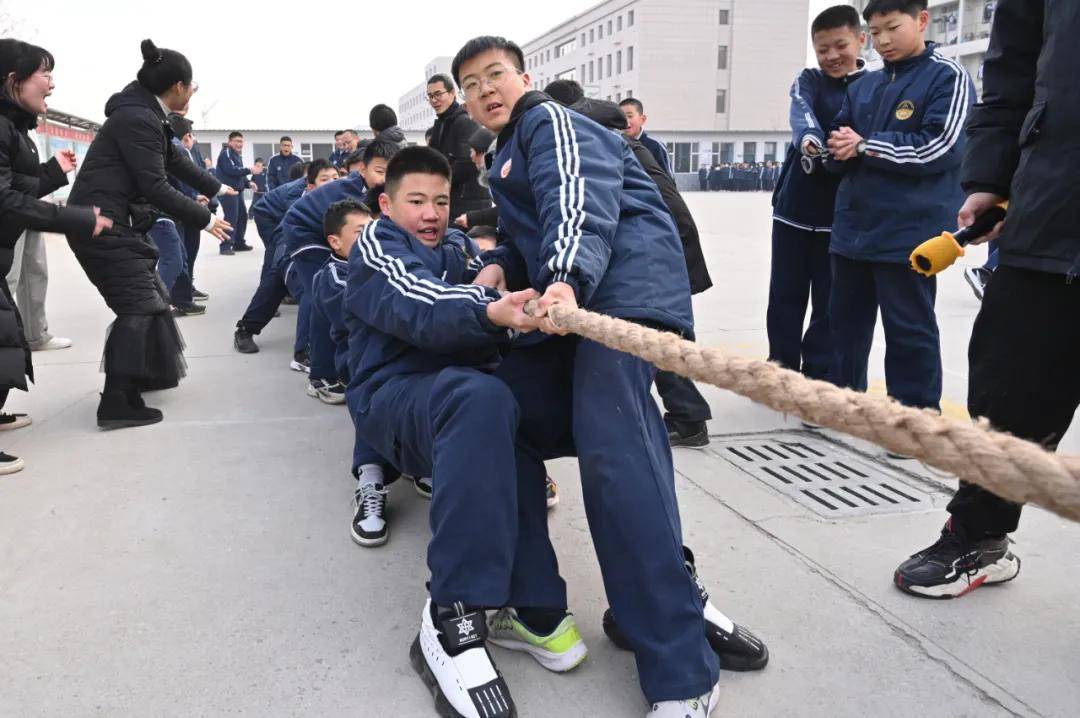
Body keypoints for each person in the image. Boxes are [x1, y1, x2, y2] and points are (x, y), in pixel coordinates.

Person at [456, 36, 723, 716]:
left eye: (496, 74)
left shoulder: (549, 121)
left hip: (618, 296)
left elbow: (580, 201)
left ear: (524, 77)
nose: (485, 89)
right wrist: (502, 266)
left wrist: (567, 280)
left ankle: (683, 672)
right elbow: (531, 229)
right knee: (494, 413)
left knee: (615, 458)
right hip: (571, 306)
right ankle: (538, 608)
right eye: (470, 83)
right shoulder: (505, 152)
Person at [344, 146, 588, 715]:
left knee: (510, 407)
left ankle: (535, 607)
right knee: (480, 398)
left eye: (441, 201)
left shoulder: (454, 248)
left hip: (457, 393)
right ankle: (451, 614)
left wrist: (513, 279)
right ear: (386, 203)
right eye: (416, 201)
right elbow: (419, 302)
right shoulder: (378, 245)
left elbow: (485, 271)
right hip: (394, 396)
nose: (430, 213)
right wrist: (489, 308)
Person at [894, 0, 1072, 599]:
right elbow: (1012, 68)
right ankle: (980, 534)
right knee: (1008, 386)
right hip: (1055, 201)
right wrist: (992, 176)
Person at [66, 39, 232, 429]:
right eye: (192, 87)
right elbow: (156, 185)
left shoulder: (146, 115)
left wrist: (219, 188)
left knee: (155, 297)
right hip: (101, 225)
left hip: (117, 222)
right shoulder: (137, 119)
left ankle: (143, 376)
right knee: (138, 306)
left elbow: (177, 162)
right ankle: (116, 401)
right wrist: (205, 219)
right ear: (177, 86)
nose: (192, 93)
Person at [545, 80, 717, 447]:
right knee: (659, 334)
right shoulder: (608, 132)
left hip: (660, 245)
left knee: (654, 334)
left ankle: (689, 420)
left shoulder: (592, 140)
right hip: (666, 239)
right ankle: (688, 416)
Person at [824, 0, 973, 415]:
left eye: (892, 27)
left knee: (908, 327)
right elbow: (840, 138)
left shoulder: (947, 77)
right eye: (874, 32)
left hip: (909, 231)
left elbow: (940, 147)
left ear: (921, 20)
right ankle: (842, 405)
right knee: (845, 325)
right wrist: (834, 149)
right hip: (853, 226)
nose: (883, 40)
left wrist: (866, 146)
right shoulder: (863, 85)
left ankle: (915, 416)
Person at [0, 38, 110, 472]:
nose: (51, 83)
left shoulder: (13, 127)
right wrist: (77, 219)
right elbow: (4, 201)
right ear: (13, 81)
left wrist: (51, 174)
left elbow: (15, 189)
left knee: (7, 338)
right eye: (43, 73)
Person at [768, 5, 866, 382]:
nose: (831, 56)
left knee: (829, 302)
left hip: (838, 217)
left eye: (840, 45)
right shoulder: (808, 79)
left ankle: (818, 373)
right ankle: (781, 370)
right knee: (785, 296)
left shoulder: (871, 86)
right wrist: (810, 142)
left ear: (860, 39)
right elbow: (801, 112)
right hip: (793, 210)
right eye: (822, 49)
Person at [279, 139, 398, 372]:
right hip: (304, 234)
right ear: (362, 169)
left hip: (327, 234)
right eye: (380, 171)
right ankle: (305, 354)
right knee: (319, 291)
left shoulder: (373, 189)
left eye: (391, 172)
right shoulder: (351, 192)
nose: (385, 179)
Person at [233, 159, 337, 354]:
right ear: (311, 185)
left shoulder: (342, 198)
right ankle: (248, 331)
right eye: (325, 179)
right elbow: (291, 224)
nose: (332, 183)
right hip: (286, 236)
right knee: (289, 280)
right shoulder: (300, 199)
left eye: (336, 178)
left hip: (308, 246)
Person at [307, 199, 371, 405]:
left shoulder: (363, 264)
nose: (372, 238)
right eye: (361, 233)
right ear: (335, 242)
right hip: (333, 370)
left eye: (373, 230)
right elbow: (359, 318)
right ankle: (319, 381)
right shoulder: (333, 277)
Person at [426, 73, 491, 218]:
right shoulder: (441, 124)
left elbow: (465, 164)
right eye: (430, 96)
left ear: (452, 93)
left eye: (438, 94)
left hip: (469, 205)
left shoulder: (464, 122)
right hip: (453, 200)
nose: (434, 100)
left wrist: (436, 184)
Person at [167, 115, 211, 306]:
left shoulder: (183, 149)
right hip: (184, 208)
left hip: (185, 205)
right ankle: (181, 297)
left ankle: (186, 290)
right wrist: (194, 198)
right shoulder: (179, 150)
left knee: (184, 253)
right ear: (187, 135)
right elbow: (184, 181)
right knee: (183, 254)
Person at [216, 131, 255, 253]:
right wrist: (249, 170)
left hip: (238, 192)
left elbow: (240, 175)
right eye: (237, 141)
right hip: (228, 191)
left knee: (242, 217)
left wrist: (248, 183)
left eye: (241, 141)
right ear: (230, 142)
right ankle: (225, 245)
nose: (240, 144)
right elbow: (231, 170)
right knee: (231, 218)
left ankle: (238, 242)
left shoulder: (238, 155)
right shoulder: (226, 153)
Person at [454, 125, 499, 230]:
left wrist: (472, 218)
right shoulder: (494, 175)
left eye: (472, 150)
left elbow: (507, 211)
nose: (471, 156)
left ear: (482, 152)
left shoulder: (500, 177)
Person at [619, 97, 671, 176]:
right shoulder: (616, 144)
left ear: (642, 119)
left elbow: (668, 181)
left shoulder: (656, 146)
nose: (626, 121)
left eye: (630, 116)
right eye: (621, 117)